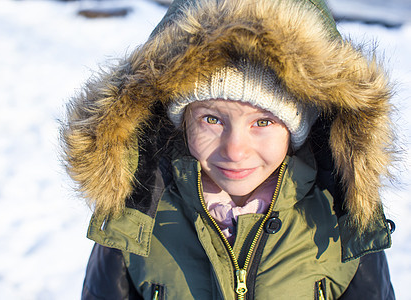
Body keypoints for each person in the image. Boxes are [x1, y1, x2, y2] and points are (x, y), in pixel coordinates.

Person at [61, 0, 397, 298]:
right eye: (211, 119)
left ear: (300, 128)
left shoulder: (342, 217)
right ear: (181, 121)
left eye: (263, 123)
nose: (235, 150)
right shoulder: (135, 220)